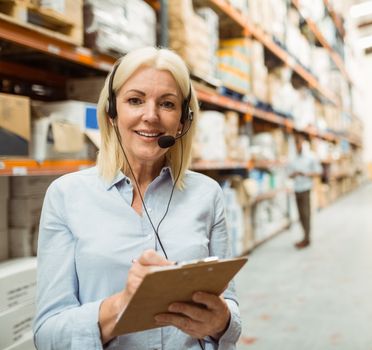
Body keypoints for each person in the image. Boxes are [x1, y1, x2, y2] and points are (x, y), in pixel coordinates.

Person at [33, 47, 241, 349]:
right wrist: (122, 305)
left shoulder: (207, 196)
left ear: (182, 121)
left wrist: (222, 322)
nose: (151, 116)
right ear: (112, 113)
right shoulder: (67, 196)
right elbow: (47, 335)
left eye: (167, 104)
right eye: (135, 100)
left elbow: (230, 312)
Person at [288, 134, 322, 249]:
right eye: (296, 143)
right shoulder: (293, 159)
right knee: (300, 215)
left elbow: (318, 172)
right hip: (297, 188)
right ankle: (304, 236)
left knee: (306, 214)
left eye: (299, 142)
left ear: (303, 143)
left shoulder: (310, 157)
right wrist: (294, 174)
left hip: (306, 188)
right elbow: (288, 174)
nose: (298, 145)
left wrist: (306, 174)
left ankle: (307, 238)